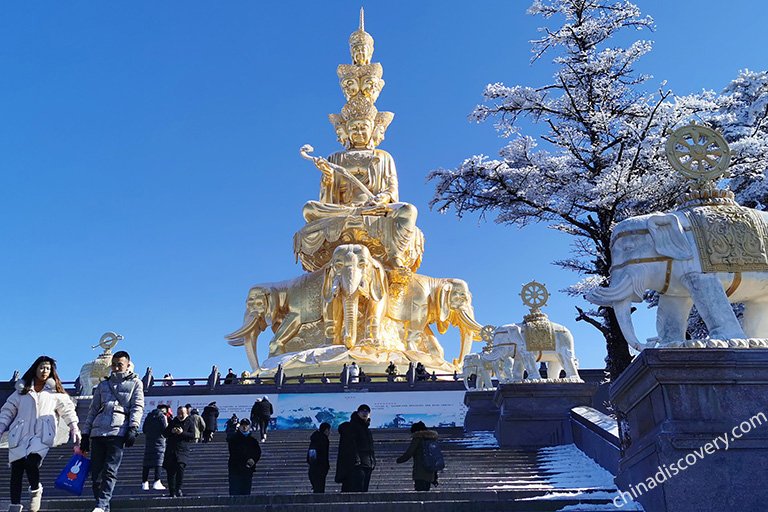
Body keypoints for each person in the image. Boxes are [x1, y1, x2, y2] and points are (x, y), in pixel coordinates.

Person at [0, 356, 80, 512]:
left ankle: (36, 490)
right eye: (42, 367)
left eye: (48, 368)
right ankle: (15, 505)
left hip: (42, 434)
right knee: (16, 470)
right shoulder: (21, 392)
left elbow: (68, 411)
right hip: (20, 433)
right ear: (35, 369)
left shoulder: (55, 393)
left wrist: (74, 427)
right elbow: (7, 411)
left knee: (32, 463)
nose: (45, 371)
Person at [80, 350, 144, 512]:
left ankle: (100, 505)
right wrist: (85, 434)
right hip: (98, 432)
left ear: (128, 365)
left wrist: (133, 427)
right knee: (96, 477)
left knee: (110, 470)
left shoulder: (136, 383)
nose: (115, 368)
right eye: (113, 365)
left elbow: (137, 406)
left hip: (118, 431)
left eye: (119, 365)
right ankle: (103, 508)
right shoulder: (103, 385)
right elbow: (93, 411)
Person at [335, 404, 375, 492]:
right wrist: (356, 459)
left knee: (363, 491)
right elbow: (350, 445)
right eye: (362, 411)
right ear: (357, 413)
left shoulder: (367, 429)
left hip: (367, 464)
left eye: (367, 411)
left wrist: (372, 461)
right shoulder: (351, 427)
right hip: (357, 465)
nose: (365, 413)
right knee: (356, 490)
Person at [396, 421, 440, 491]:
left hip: (420, 472)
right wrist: (435, 475)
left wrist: (399, 460)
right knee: (426, 492)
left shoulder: (417, 439)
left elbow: (409, 453)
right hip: (430, 472)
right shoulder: (432, 440)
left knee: (419, 492)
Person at [162, 405, 195, 497]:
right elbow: (165, 433)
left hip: (182, 450)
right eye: (179, 413)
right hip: (171, 450)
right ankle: (172, 492)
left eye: (182, 413)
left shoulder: (190, 421)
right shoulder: (173, 421)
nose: (180, 415)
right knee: (170, 472)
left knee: (180, 469)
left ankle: (178, 489)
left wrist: (182, 433)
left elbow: (192, 435)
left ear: (186, 413)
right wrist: (172, 431)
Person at [226, 418, 262, 495]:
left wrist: (253, 460)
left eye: (246, 425)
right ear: (240, 427)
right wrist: (247, 459)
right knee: (235, 491)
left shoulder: (253, 440)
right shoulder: (233, 439)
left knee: (246, 491)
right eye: (243, 425)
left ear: (249, 427)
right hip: (235, 469)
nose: (244, 427)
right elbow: (234, 453)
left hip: (248, 469)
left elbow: (257, 452)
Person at [141, 404, 168, 491]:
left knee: (147, 463)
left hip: (149, 442)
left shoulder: (149, 416)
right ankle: (157, 481)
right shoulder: (162, 417)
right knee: (158, 462)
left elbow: (144, 429)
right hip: (159, 442)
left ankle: (144, 483)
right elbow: (165, 429)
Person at [307, 422, 331, 493]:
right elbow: (324, 455)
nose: (329, 432)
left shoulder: (315, 438)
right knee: (320, 486)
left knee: (317, 486)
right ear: (326, 430)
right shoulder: (323, 439)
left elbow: (311, 452)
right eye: (329, 430)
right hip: (320, 466)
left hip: (314, 466)